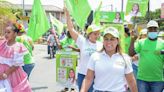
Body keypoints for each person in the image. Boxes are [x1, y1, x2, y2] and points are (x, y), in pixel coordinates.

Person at [81, 27, 138, 92]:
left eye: (112, 39)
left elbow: (131, 81)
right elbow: (88, 78)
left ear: (117, 41)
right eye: (106, 39)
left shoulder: (125, 58)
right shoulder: (95, 56)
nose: (109, 42)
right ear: (103, 40)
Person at [65, 9, 102, 92]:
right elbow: (71, 29)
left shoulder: (101, 45)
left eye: (98, 33)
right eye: (95, 33)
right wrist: (67, 15)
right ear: (89, 34)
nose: (97, 35)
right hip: (82, 74)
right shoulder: (82, 41)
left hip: (96, 76)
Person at [129, 20, 164, 92]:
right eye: (151, 29)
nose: (153, 30)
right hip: (142, 79)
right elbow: (131, 53)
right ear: (148, 30)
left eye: (155, 29)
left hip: (158, 80)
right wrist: (132, 39)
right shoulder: (141, 42)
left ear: (157, 30)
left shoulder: (162, 43)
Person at [0, 22, 32, 92]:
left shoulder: (18, 47)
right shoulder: (2, 44)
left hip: (13, 75)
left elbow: (16, 64)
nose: (6, 34)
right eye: (5, 32)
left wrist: (6, 74)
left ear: (15, 34)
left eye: (8, 32)